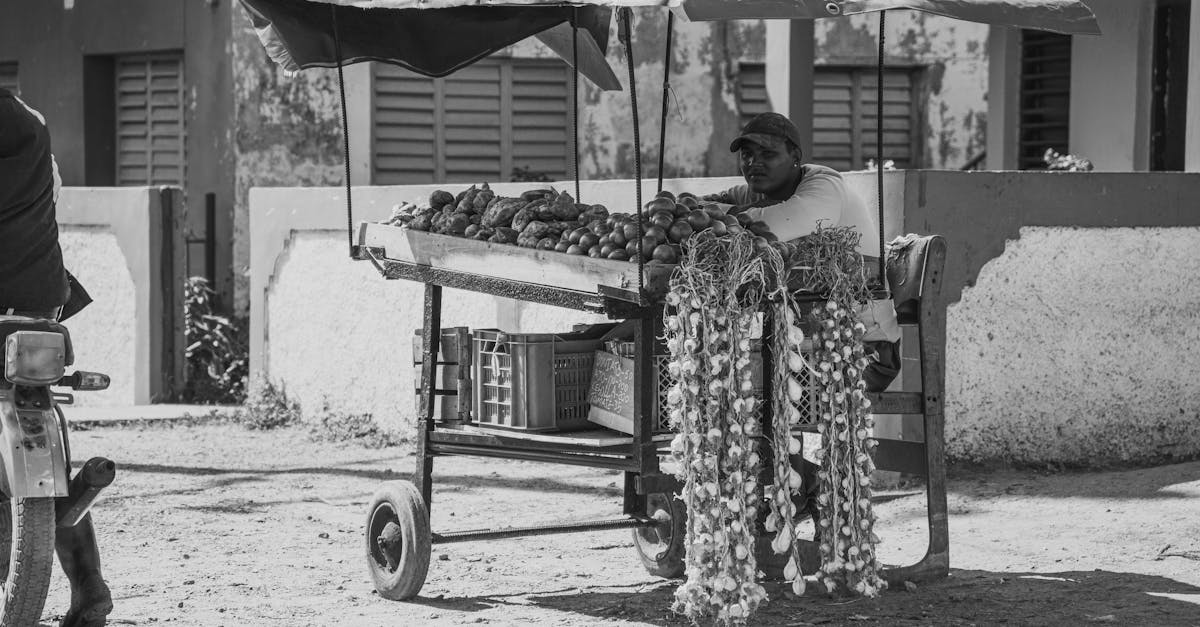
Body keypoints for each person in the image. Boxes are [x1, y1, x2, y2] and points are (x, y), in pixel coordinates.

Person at [707, 112, 903, 532]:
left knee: (742, 389)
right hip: (800, 352)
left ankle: (808, 483)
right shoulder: (753, 191)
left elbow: (774, 226)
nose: (754, 163)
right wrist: (714, 214)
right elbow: (700, 210)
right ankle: (797, 483)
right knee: (731, 382)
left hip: (856, 353)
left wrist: (720, 218)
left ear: (795, 156)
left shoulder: (823, 184)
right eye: (747, 154)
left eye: (768, 154)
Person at [0, 86, 113, 627]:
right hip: (40, 301)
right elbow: (55, 193)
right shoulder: (32, 120)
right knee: (49, 436)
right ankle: (89, 588)